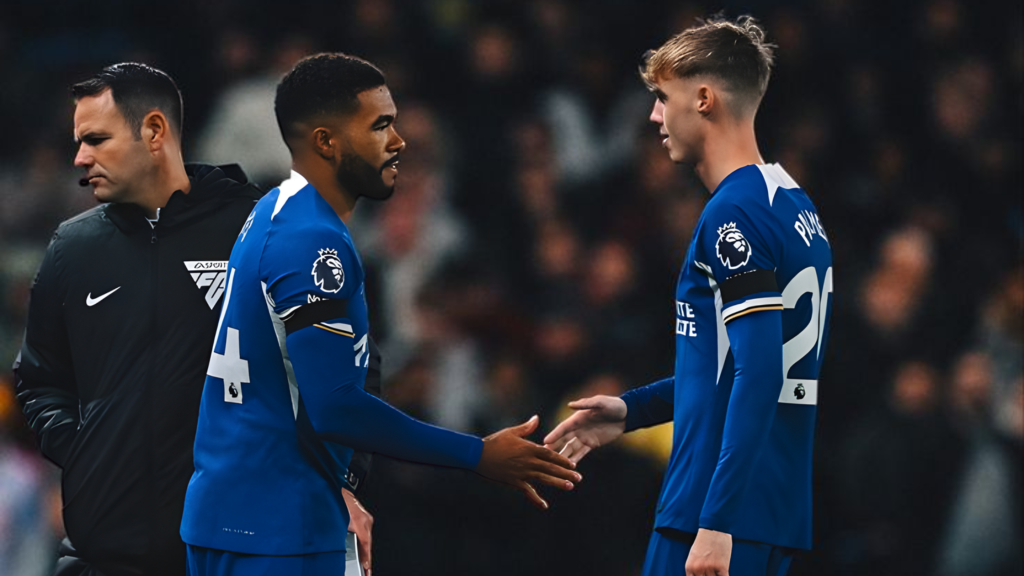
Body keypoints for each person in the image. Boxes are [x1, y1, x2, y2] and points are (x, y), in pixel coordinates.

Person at [180, 53, 580, 576]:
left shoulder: (271, 210)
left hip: (228, 513)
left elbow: (280, 386)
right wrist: (478, 455)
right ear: (327, 142)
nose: (400, 142)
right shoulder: (314, 243)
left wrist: (339, 488)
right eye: (381, 126)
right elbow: (336, 407)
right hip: (282, 530)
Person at [544, 16, 833, 576]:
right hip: (771, 508)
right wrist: (634, 410)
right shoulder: (796, 207)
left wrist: (716, 521)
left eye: (661, 97)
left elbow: (761, 372)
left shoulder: (733, 213)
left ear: (703, 99)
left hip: (715, 512)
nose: (654, 115)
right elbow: (746, 364)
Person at [12, 63, 269, 576]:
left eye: (96, 139)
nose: (79, 158)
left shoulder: (261, 229)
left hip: (236, 553)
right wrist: (88, 452)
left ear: (154, 131)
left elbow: (339, 367)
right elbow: (40, 380)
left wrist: (343, 484)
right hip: (103, 557)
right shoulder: (73, 247)